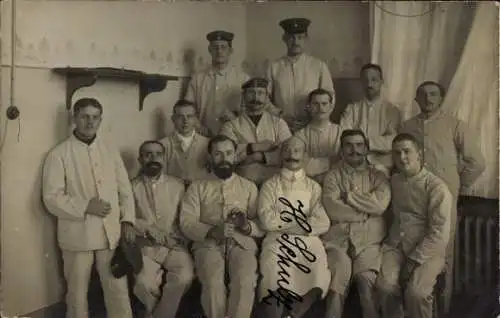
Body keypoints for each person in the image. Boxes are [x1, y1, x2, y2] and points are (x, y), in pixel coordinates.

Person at [42, 97, 136, 318]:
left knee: (118, 291)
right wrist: (86, 206)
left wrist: (128, 220)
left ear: (101, 120)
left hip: (109, 234)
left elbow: (125, 191)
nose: (90, 122)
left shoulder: (110, 150)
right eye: (84, 116)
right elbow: (51, 197)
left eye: (95, 117)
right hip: (78, 235)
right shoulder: (59, 154)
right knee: (76, 295)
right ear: (75, 118)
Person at [399, 81, 486, 311]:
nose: (428, 99)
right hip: (414, 201)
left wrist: (455, 187)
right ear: (416, 99)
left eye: (433, 94)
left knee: (443, 257)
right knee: (411, 252)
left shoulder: (454, 125)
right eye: (423, 95)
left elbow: (477, 163)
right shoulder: (407, 126)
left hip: (443, 202)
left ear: (441, 98)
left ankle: (443, 310)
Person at [179, 135, 264, 318]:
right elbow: (186, 222)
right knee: (212, 282)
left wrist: (246, 225)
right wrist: (210, 231)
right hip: (208, 245)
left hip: (242, 244)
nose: (224, 159)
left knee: (245, 280)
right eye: (218, 154)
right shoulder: (197, 187)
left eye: (228, 153)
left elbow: (261, 225)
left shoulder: (248, 187)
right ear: (210, 157)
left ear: (235, 156)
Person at [377, 133, 453, 318]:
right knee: (385, 287)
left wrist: (413, 261)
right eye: (397, 153)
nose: (402, 157)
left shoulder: (437, 188)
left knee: (417, 294)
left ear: (419, 154)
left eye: (406, 151)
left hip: (428, 251)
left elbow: (439, 234)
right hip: (396, 246)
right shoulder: (394, 181)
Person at [257, 136, 331, 318]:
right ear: (281, 154)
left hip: (308, 241)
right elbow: (266, 219)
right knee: (274, 277)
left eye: (297, 151)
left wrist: (295, 227)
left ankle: (294, 314)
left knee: (318, 275)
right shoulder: (269, 186)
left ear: (305, 156)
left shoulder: (314, 187)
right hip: (277, 241)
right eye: (288, 150)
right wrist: (300, 222)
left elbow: (323, 221)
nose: (292, 155)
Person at [321, 129, 390, 318]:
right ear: (341, 150)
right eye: (349, 145)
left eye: (359, 145)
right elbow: (333, 208)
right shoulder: (333, 176)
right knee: (337, 282)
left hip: (369, 242)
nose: (354, 150)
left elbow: (380, 205)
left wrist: (348, 197)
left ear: (367, 149)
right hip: (338, 241)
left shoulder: (379, 176)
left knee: (366, 280)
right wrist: (364, 212)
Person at [131, 140, 194, 318]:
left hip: (174, 245)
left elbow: (187, 218)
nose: (153, 158)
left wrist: (177, 239)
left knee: (184, 277)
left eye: (158, 154)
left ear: (164, 158)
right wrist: (147, 228)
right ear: (140, 159)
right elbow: (125, 217)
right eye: (148, 154)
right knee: (143, 283)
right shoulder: (131, 187)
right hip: (145, 246)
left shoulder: (178, 186)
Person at [266, 17, 335, 133]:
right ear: (284, 39)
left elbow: (330, 97)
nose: (296, 42)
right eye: (291, 38)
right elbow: (265, 99)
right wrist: (280, 115)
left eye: (300, 37)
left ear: (306, 39)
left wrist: (316, 117)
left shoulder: (318, 65)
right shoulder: (274, 67)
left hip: (312, 126)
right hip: (281, 126)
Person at [219, 77, 292, 186]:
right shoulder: (230, 126)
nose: (256, 97)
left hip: (275, 185)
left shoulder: (279, 123)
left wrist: (260, 157)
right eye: (251, 93)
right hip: (241, 185)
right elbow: (226, 157)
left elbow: (289, 154)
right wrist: (254, 147)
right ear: (243, 96)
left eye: (260, 93)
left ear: (267, 97)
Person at [339, 63, 402, 177]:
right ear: (360, 82)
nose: (369, 84)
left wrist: (367, 142)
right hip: (353, 163)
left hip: (382, 166)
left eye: (374, 80)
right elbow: (344, 137)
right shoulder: (351, 109)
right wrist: (377, 142)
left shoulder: (392, 111)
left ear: (382, 81)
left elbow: (392, 141)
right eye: (365, 80)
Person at [184, 30, 250, 137]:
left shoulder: (243, 78)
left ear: (231, 50)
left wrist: (235, 118)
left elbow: (250, 112)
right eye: (215, 47)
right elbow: (188, 108)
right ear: (210, 50)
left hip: (234, 136)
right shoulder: (198, 79)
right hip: (203, 135)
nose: (219, 51)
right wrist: (199, 128)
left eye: (223, 47)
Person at [159, 99, 211, 187]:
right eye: (180, 117)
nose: (185, 121)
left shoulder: (208, 144)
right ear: (173, 119)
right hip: (174, 194)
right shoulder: (162, 145)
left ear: (195, 119)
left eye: (189, 116)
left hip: (201, 194)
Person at [295, 88, 342, 184]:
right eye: (315, 104)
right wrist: (330, 161)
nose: (320, 108)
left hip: (337, 182)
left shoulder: (341, 132)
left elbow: (344, 162)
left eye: (324, 104)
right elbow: (301, 163)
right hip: (308, 182)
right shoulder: (300, 135)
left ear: (331, 107)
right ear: (308, 107)